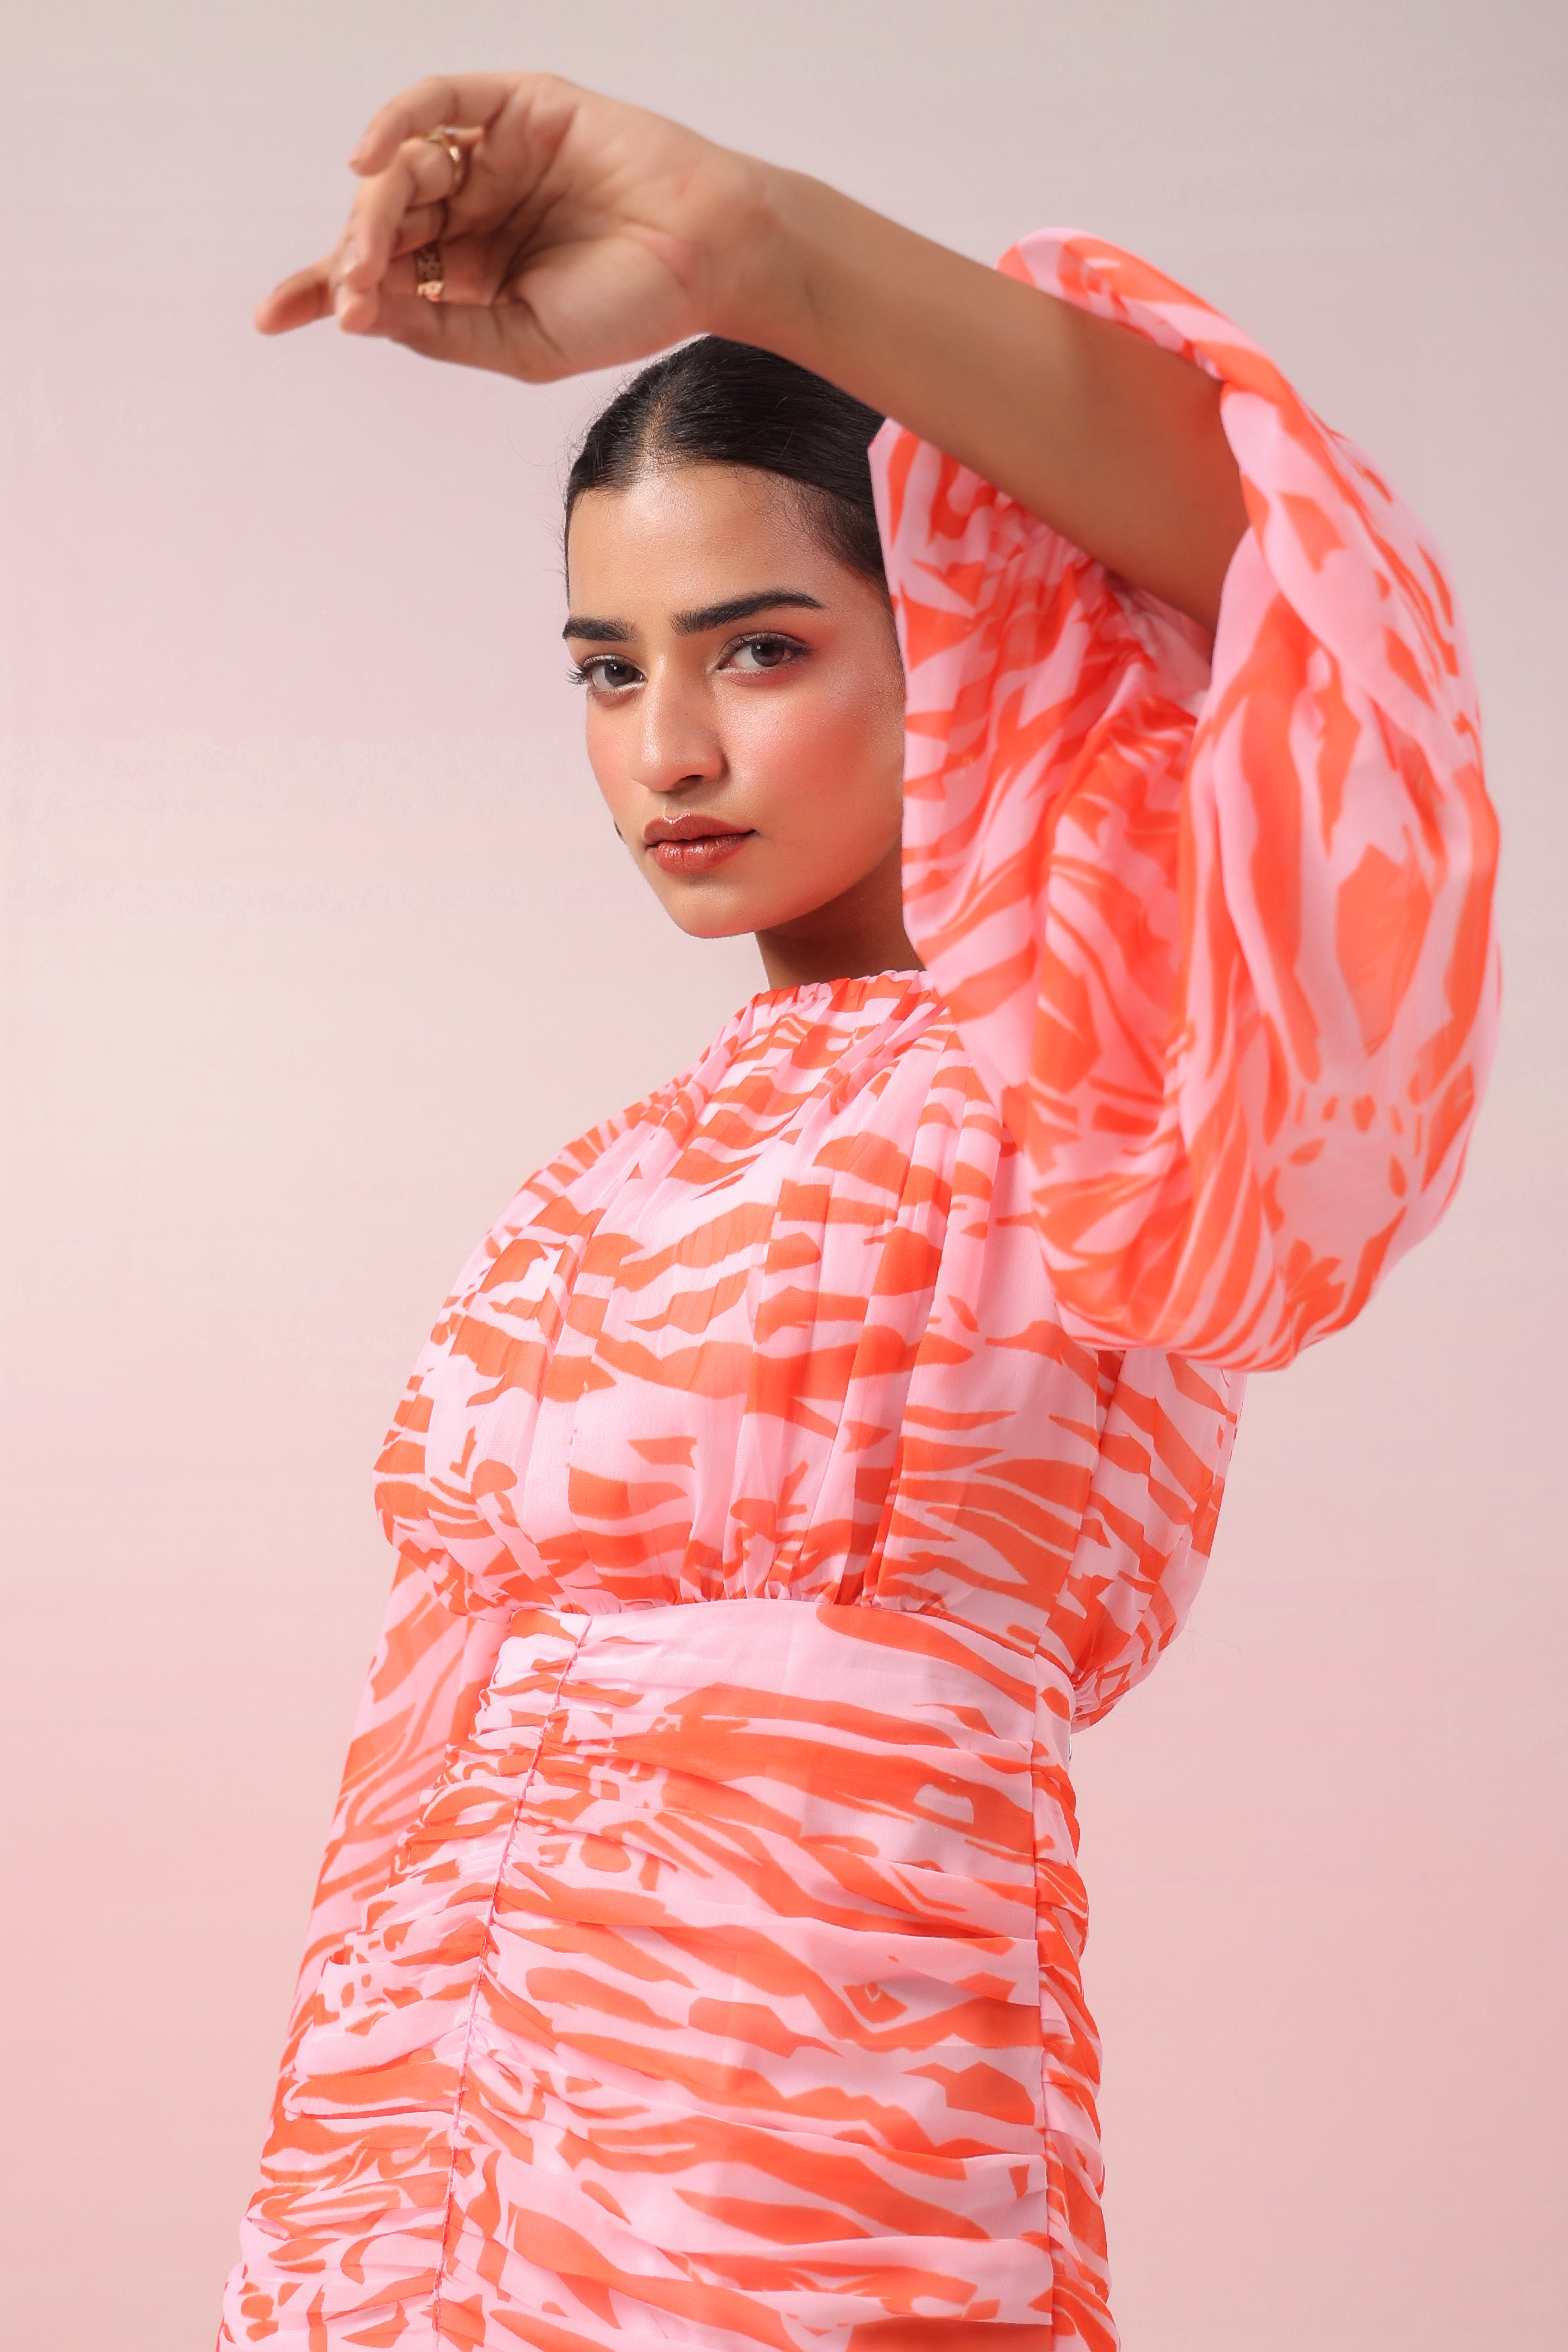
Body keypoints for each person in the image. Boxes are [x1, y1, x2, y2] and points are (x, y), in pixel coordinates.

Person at [220, 70, 1500, 2352]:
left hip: (801, 2202)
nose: (666, 752)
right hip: (410, 2188)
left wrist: (756, 250)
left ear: (973, 646)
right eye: (611, 672)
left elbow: (1301, 587)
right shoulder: (611, 1169)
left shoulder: (1113, 1075)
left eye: (764, 647)